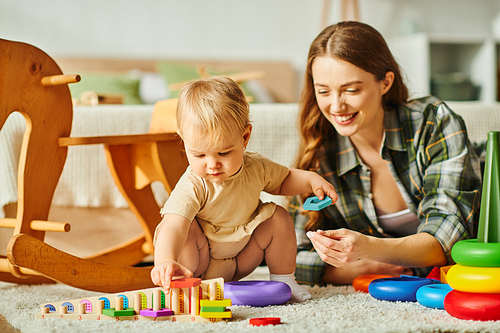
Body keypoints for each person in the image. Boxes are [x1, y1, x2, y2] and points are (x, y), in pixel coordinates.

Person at [289, 21, 482, 286]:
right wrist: (354, 269)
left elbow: (449, 236)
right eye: (323, 91)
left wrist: (369, 248)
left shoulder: (432, 122)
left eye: (352, 90)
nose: (336, 105)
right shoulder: (321, 150)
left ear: (385, 82)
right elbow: (289, 254)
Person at [151, 76, 338, 301]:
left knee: (277, 216)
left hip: (241, 258)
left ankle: (284, 281)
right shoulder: (194, 184)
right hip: (199, 262)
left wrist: (311, 180)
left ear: (245, 137)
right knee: (185, 225)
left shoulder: (255, 167)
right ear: (183, 140)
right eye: (199, 154)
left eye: (224, 152)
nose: (212, 164)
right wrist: (164, 260)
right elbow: (174, 227)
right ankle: (183, 285)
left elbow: (283, 180)